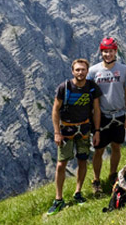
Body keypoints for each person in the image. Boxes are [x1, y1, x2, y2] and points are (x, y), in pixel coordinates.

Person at [48, 59, 101, 215]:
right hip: (66, 131)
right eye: (77, 70)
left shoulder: (92, 88)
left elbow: (96, 110)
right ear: (72, 71)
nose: (80, 72)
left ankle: (78, 193)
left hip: (84, 129)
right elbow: (55, 110)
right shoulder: (64, 88)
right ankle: (58, 199)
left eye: (83, 70)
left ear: (87, 71)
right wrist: (57, 132)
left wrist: (96, 130)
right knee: (61, 164)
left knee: (82, 160)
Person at [87, 37, 126, 194]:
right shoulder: (93, 71)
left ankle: (113, 175)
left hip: (119, 114)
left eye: (111, 51)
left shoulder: (124, 69)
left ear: (116, 52)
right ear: (101, 52)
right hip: (101, 116)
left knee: (116, 146)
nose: (108, 54)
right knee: (99, 149)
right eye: (105, 52)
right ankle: (96, 179)